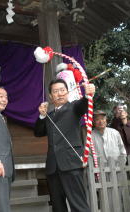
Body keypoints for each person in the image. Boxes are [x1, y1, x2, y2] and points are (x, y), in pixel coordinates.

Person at [34, 78, 94, 212]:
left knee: (78, 205)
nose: (59, 94)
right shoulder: (48, 115)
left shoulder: (74, 107)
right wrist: (42, 116)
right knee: (58, 207)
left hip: (71, 164)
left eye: (62, 90)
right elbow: (38, 132)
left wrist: (87, 94)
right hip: (53, 167)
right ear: (50, 96)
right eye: (55, 91)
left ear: (67, 92)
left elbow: (83, 105)